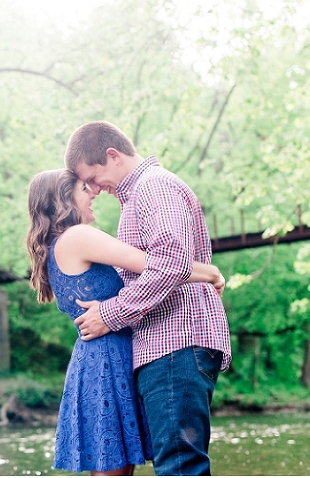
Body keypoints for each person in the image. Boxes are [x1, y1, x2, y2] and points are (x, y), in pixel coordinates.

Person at [26, 169, 226, 476]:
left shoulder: (57, 247)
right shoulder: (77, 236)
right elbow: (157, 265)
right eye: (83, 188)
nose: (93, 192)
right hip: (108, 359)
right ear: (64, 200)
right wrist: (210, 273)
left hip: (99, 357)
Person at [64, 121, 232, 476]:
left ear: (112, 156)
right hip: (170, 346)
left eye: (92, 176)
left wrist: (109, 315)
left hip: (176, 342)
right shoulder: (143, 193)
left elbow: (170, 263)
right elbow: (171, 261)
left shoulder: (153, 188)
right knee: (177, 462)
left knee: (180, 466)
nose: (94, 188)